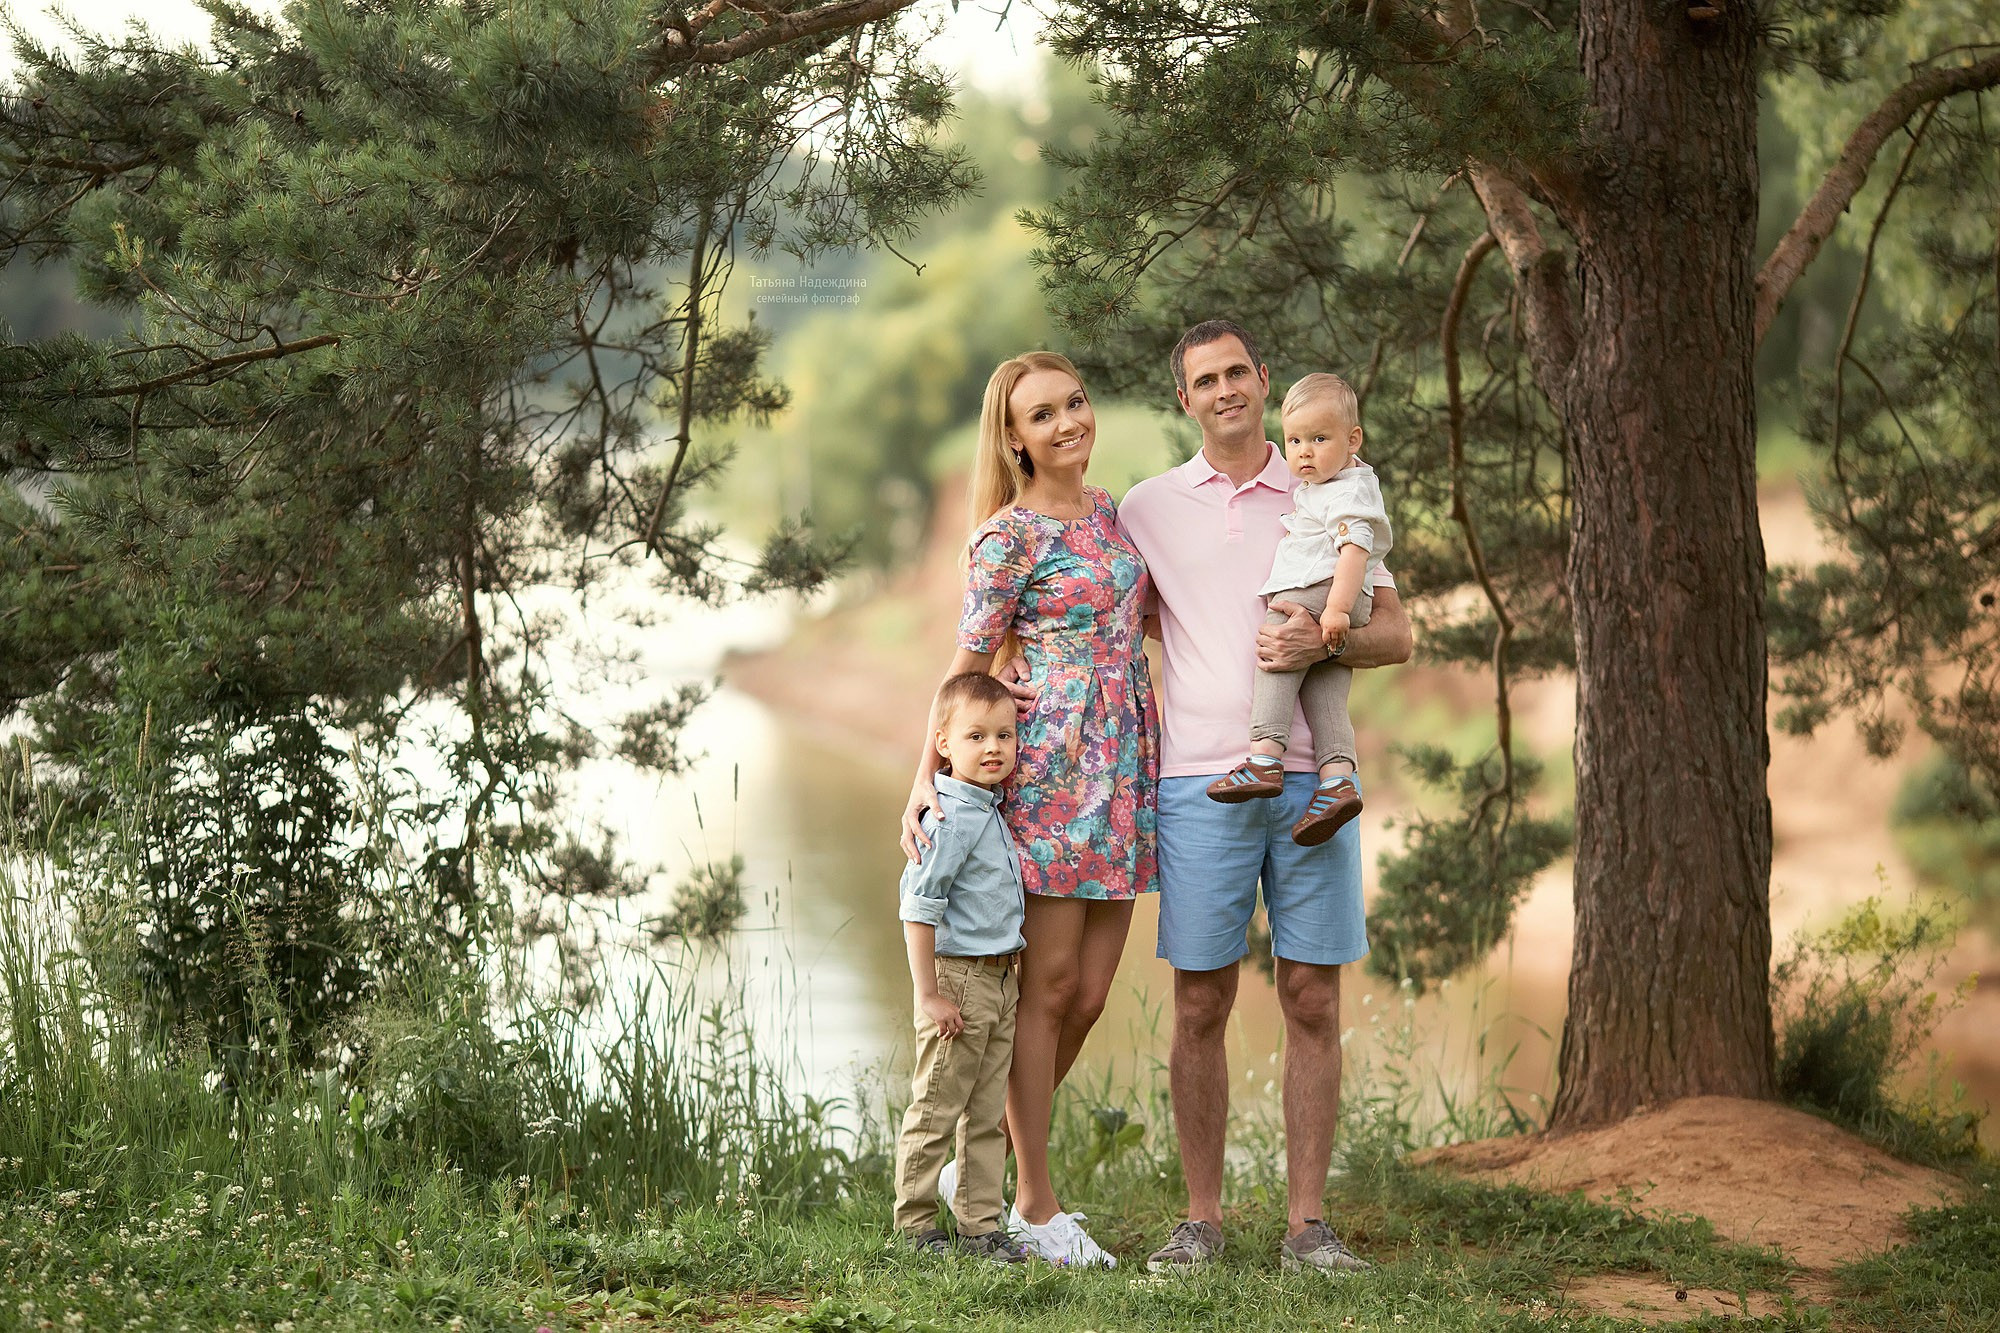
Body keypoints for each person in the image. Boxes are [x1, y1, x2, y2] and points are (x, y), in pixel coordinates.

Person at [1117, 320, 1412, 1275]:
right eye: (1205, 379)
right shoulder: (1147, 507)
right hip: (1200, 782)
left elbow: (1396, 633)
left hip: (1311, 782)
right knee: (1199, 1001)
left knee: (1311, 994)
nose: (1225, 389)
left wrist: (1319, 642)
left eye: (1238, 371)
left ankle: (1307, 1227)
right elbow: (1101, 620)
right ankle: (1201, 1220)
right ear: (1185, 399)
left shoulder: (1325, 483)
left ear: (1264, 379)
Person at [900, 351, 1159, 1269]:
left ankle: (1002, 1172)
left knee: (1085, 994)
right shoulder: (1005, 538)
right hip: (1049, 770)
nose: (1066, 423)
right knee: (1043, 989)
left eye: (1075, 402)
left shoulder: (1112, 512)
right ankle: (1035, 1206)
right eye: (1041, 414)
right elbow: (967, 669)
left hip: (1124, 764)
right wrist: (926, 770)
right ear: (1013, 436)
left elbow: (1141, 621)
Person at [1205, 372, 1392, 849]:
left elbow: (1354, 551)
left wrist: (1335, 611)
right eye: (1295, 440)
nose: (1304, 452)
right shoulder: (1332, 484)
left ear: (1353, 441)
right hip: (1334, 594)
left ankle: (1265, 754)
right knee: (1325, 680)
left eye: (1319, 438)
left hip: (1323, 589)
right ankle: (1337, 780)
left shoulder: (1347, 490)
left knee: (1277, 642)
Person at [891, 671, 1034, 1265]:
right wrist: (928, 993)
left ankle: (980, 1226)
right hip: (960, 980)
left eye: (1004, 734)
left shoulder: (987, 807)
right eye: (976, 736)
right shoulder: (947, 815)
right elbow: (918, 906)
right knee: (936, 1106)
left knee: (985, 1112)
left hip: (1002, 981)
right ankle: (916, 1224)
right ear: (943, 744)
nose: (994, 748)